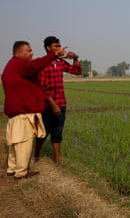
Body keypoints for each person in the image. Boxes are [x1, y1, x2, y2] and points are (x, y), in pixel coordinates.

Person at [2, 40, 66, 180]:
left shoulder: (11, 65)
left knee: (15, 142)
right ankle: (21, 172)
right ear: (19, 52)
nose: (32, 53)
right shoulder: (20, 64)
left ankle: (12, 168)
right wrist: (53, 55)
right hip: (23, 111)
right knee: (24, 142)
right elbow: (35, 66)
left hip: (16, 111)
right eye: (29, 50)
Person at [34, 36, 81, 166]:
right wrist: (53, 104)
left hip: (61, 103)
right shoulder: (41, 64)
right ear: (48, 48)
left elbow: (77, 71)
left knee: (57, 132)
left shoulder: (60, 63)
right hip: (47, 105)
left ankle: (57, 160)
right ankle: (36, 156)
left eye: (59, 46)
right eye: (56, 46)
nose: (59, 48)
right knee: (42, 132)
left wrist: (76, 58)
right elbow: (41, 87)